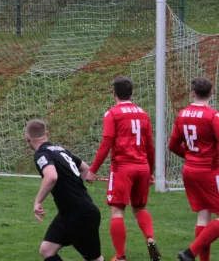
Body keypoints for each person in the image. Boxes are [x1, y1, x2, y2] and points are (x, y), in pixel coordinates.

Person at [86, 76, 160, 261]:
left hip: (122, 168)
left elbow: (106, 144)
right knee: (140, 208)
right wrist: (150, 171)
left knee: (117, 211)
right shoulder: (143, 113)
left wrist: (93, 169)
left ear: (114, 94)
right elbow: (150, 146)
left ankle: (120, 257)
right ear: (131, 92)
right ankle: (150, 238)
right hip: (142, 167)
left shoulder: (112, 114)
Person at [26, 119, 104, 261]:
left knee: (94, 259)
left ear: (27, 139)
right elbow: (85, 168)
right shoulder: (60, 150)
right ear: (47, 134)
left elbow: (51, 177)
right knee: (47, 250)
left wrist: (38, 201)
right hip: (70, 213)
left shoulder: (41, 155)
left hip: (79, 215)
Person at [169, 77, 219, 261]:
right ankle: (190, 252)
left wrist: (190, 156)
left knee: (203, 215)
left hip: (189, 170)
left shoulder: (182, 114)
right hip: (208, 171)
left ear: (193, 93)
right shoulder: (213, 116)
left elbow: (173, 145)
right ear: (211, 94)